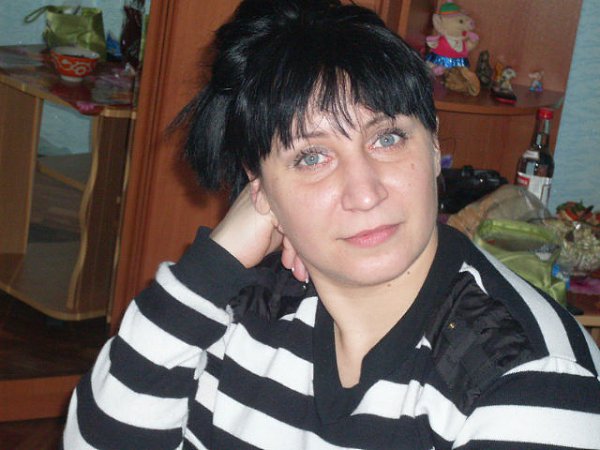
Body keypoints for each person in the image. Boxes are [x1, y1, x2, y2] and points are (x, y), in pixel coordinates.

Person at [63, 1, 600, 449]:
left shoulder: (529, 379)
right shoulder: (238, 309)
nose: (365, 193)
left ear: (433, 140)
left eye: (387, 138)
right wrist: (213, 265)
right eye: (311, 157)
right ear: (258, 184)